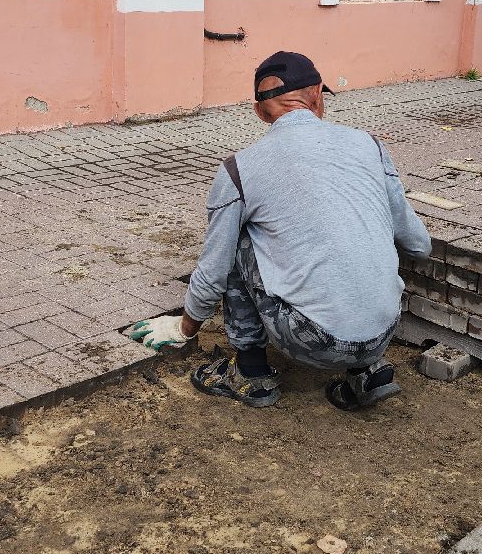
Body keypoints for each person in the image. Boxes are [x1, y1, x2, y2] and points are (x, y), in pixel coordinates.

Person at [128, 51, 432, 410]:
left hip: (312, 342)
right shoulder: (371, 146)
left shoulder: (238, 169)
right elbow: (418, 245)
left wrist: (183, 329)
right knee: (354, 228)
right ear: (317, 94)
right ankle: (366, 372)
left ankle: (251, 374)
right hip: (383, 332)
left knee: (239, 239)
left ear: (260, 112)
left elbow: (213, 272)